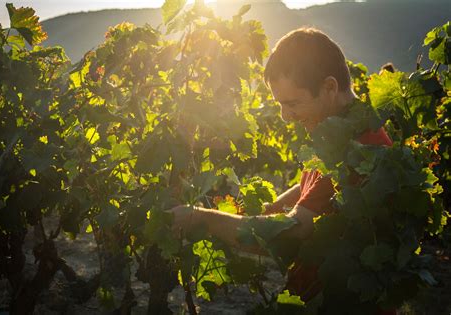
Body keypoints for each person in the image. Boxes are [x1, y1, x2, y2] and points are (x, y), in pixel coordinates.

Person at [169, 28, 394, 313]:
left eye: (293, 103)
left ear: (329, 87)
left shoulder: (358, 149)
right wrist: (272, 207)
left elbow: (296, 231)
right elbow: (313, 187)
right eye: (280, 105)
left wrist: (201, 219)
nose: (286, 117)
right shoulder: (340, 129)